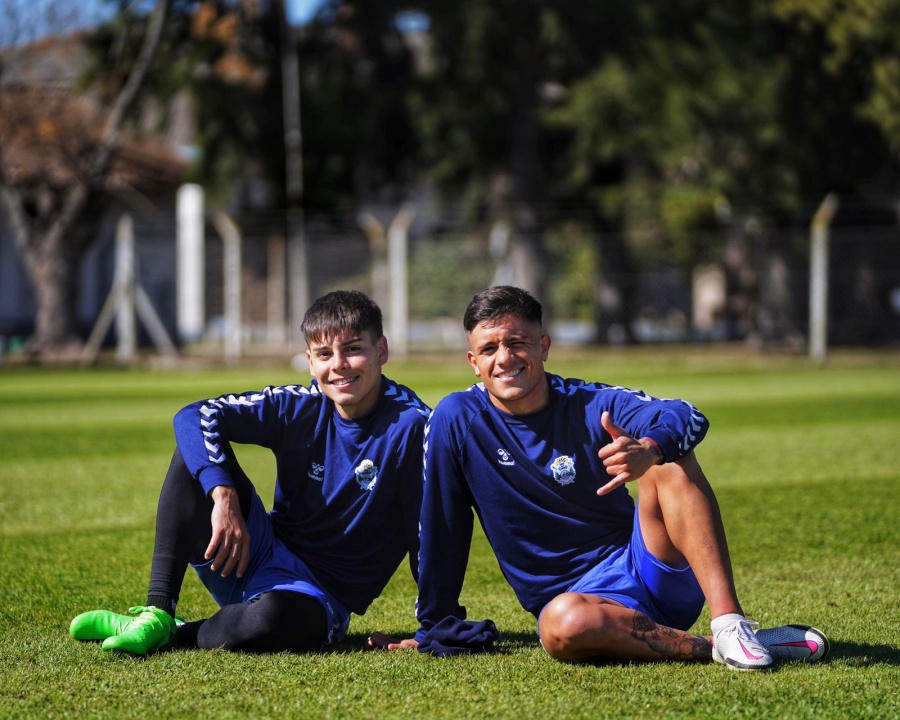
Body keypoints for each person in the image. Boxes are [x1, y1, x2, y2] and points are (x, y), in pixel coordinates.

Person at [371, 285, 828, 670]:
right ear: (473, 361)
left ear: (544, 347)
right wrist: (435, 625)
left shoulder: (591, 402)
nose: (505, 358)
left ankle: (730, 624)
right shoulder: (458, 418)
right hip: (582, 609)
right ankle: (717, 650)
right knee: (559, 627)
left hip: (649, 570)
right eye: (490, 349)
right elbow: (441, 523)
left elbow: (686, 414)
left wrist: (648, 450)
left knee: (671, 457)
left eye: (518, 343)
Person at [70, 290, 430, 655]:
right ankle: (158, 610)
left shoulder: (412, 426)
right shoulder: (299, 407)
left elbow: (427, 528)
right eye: (324, 354)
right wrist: (222, 493)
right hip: (253, 551)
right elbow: (194, 415)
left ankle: (174, 633)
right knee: (194, 452)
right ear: (309, 361)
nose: (338, 364)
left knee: (267, 620)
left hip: (319, 596)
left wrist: (433, 627)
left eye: (353, 349)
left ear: (381, 351)